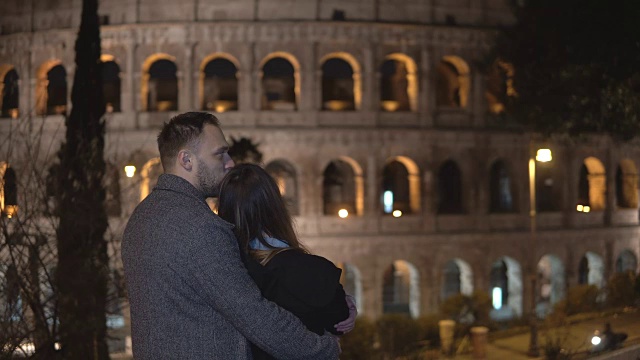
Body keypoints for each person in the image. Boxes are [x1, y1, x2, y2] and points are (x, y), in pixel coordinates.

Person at [121, 112, 340, 359]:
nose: (230, 162)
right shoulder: (202, 228)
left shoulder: (140, 218)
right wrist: (323, 348)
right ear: (186, 160)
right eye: (220, 153)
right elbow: (253, 314)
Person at [217, 163, 357, 360]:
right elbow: (339, 321)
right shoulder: (311, 271)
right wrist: (347, 302)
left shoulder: (222, 269)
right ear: (276, 207)